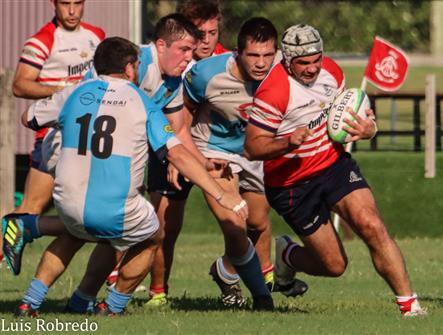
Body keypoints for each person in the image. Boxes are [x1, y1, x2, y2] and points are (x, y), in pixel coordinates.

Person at [14, 36, 248, 317]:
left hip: (68, 199)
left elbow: (28, 118)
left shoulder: (74, 93)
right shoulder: (141, 102)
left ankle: (33, 300)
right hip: (115, 207)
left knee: (79, 234)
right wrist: (221, 194)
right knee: (152, 236)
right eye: (137, 65)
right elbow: (178, 154)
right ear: (128, 69)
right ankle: (113, 306)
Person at [244, 24, 427, 316]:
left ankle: (410, 305)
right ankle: (287, 256)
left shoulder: (332, 72)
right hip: (291, 184)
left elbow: (348, 116)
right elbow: (252, 147)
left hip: (333, 166)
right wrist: (286, 142)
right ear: (287, 59)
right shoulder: (273, 91)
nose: (312, 68)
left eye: (316, 60)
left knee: (371, 224)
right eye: (303, 62)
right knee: (334, 266)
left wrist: (369, 129)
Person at [181, 17, 306, 311]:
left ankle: (225, 271)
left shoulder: (283, 75)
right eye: (253, 55)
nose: (261, 63)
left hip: (256, 153)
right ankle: (262, 298)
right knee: (235, 225)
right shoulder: (206, 74)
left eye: (268, 55)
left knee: (258, 224)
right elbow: (183, 112)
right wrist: (187, 157)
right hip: (215, 154)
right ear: (238, 52)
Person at [143, 0, 235, 307]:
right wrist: (174, 156)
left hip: (211, 149)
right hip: (172, 148)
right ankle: (157, 291)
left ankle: (247, 279)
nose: (206, 41)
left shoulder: (226, 62)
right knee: (164, 226)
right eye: (200, 33)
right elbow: (174, 120)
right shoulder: (171, 63)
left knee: (240, 217)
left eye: (212, 32)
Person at [2, 0, 104, 271]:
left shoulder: (97, 36)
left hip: (89, 135)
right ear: (54, 4)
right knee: (31, 207)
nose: (72, 11)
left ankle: (111, 275)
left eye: (77, 3)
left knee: (97, 204)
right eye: (65, 4)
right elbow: (20, 85)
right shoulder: (42, 41)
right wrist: (63, 89)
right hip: (53, 135)